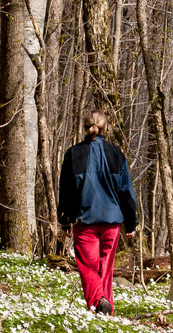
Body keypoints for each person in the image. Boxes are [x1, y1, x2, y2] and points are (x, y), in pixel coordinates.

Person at [57, 109, 138, 315]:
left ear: (85, 127)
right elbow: (126, 192)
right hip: (111, 222)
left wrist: (64, 221)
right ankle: (105, 312)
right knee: (105, 268)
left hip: (84, 220)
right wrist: (131, 223)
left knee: (88, 267)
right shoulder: (116, 154)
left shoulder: (73, 154)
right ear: (106, 128)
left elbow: (65, 191)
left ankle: (98, 302)